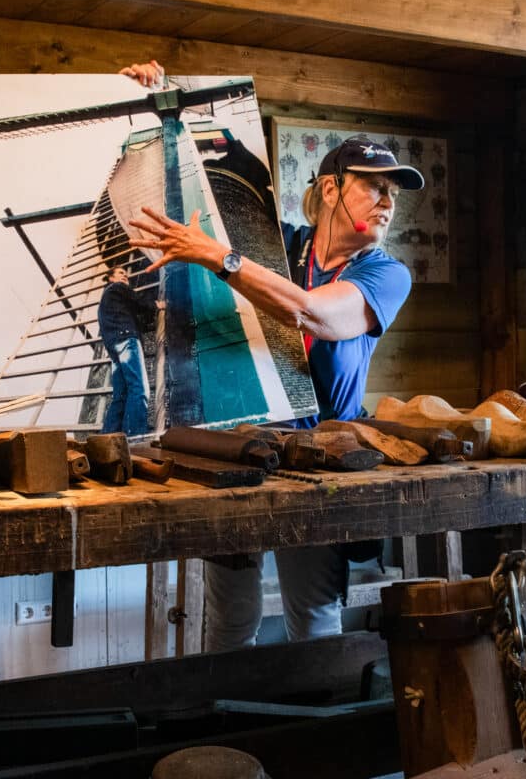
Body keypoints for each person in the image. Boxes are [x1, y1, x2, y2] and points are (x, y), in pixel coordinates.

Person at [119, 80, 425, 649]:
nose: (389, 201)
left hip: (319, 463)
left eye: (394, 193)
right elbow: (195, 184)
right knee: (230, 618)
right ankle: (226, 728)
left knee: (312, 621)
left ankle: (308, 729)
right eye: (375, 187)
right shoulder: (277, 246)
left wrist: (218, 255)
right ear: (330, 189)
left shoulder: (387, 273)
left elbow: (315, 314)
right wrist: (157, 95)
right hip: (238, 449)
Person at [98, 265, 160, 437]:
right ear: (110, 278)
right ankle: (134, 440)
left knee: (121, 396)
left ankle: (107, 439)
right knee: (139, 389)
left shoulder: (106, 298)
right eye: (121, 273)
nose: (125, 276)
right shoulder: (118, 288)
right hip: (126, 339)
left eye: (126, 274)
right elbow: (138, 301)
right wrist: (156, 304)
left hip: (114, 345)